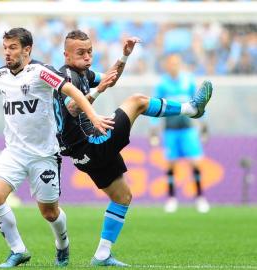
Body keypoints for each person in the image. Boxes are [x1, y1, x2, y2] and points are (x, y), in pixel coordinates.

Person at [0, 27, 114, 268]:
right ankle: (18, 250)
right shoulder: (0, 76)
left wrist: (92, 116)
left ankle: (62, 245)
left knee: (50, 213)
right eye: (5, 48)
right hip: (14, 153)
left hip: (44, 154)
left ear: (27, 50)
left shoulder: (40, 72)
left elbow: (70, 90)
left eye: (13, 48)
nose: (7, 53)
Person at [53, 30, 213, 267]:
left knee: (122, 196)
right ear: (66, 54)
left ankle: (102, 255)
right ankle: (191, 109)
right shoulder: (67, 76)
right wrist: (98, 91)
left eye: (89, 52)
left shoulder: (82, 72)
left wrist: (124, 57)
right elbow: (73, 107)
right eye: (81, 53)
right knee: (137, 101)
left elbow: (109, 78)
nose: (87, 57)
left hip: (83, 153)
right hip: (91, 143)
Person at [149, 53, 210, 214]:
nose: (174, 66)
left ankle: (200, 197)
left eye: (177, 63)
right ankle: (171, 198)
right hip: (170, 131)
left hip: (188, 129)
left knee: (196, 163)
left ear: (180, 64)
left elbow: (199, 104)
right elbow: (155, 106)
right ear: (167, 65)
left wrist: (204, 124)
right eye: (171, 63)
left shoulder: (188, 80)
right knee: (170, 165)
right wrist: (154, 129)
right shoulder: (162, 84)